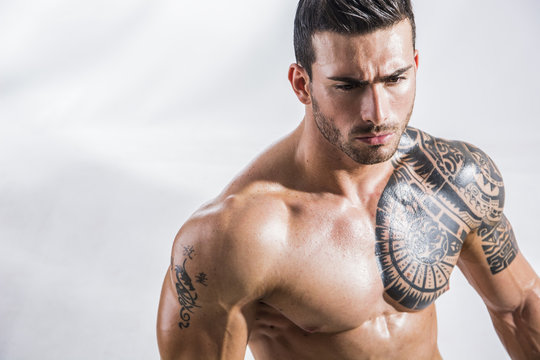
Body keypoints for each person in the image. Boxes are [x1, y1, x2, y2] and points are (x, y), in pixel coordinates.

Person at [156, 0, 540, 358]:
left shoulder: (451, 178)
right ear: (301, 84)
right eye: (348, 85)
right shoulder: (236, 236)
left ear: (415, 66)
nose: (377, 112)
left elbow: (520, 309)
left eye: (394, 79)